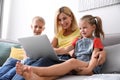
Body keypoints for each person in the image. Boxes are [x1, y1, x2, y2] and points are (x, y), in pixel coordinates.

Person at [16, 15, 106, 80]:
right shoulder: (77, 40)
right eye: (80, 28)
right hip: (78, 67)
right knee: (60, 71)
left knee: (72, 62)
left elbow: (94, 56)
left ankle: (33, 69)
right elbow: (65, 50)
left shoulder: (96, 40)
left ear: (93, 27)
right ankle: (36, 78)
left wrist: (88, 69)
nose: (82, 31)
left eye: (85, 28)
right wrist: (48, 50)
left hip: (89, 66)